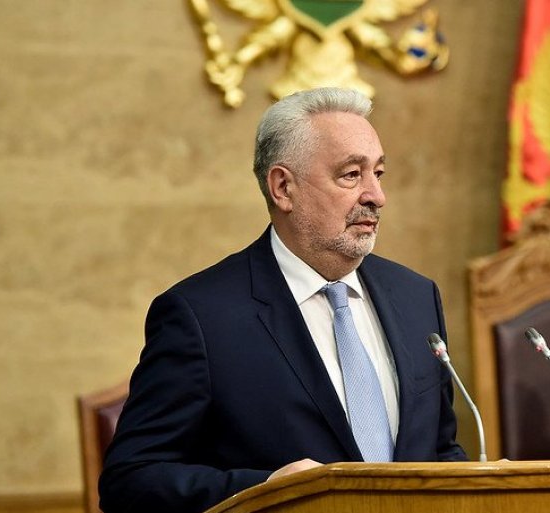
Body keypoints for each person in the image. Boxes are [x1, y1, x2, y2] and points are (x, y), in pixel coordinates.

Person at [99, 87, 467, 513]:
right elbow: (130, 480)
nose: (376, 196)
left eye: (378, 174)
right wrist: (268, 490)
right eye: (351, 175)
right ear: (283, 187)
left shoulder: (417, 296)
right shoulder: (201, 317)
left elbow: (440, 451)